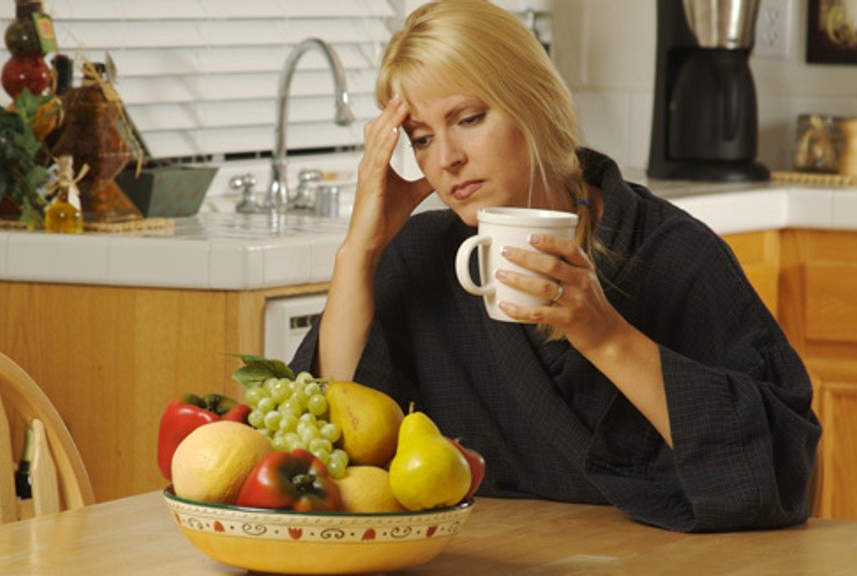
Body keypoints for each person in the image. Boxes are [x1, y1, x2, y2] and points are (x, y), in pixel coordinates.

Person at [288, 0, 820, 533]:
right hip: (491, 555)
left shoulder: (674, 254)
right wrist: (359, 252)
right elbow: (333, 446)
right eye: (422, 139)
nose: (446, 158)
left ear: (533, 103)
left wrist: (606, 338)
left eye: (468, 119)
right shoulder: (421, 258)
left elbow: (784, 474)